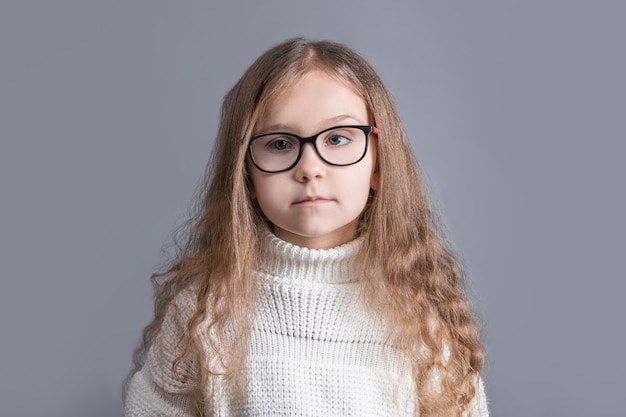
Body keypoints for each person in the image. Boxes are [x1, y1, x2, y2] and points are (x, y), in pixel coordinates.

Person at [123, 38, 489, 417]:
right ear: (245, 173)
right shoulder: (203, 311)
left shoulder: (418, 317)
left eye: (337, 139)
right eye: (280, 143)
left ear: (378, 163)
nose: (310, 168)